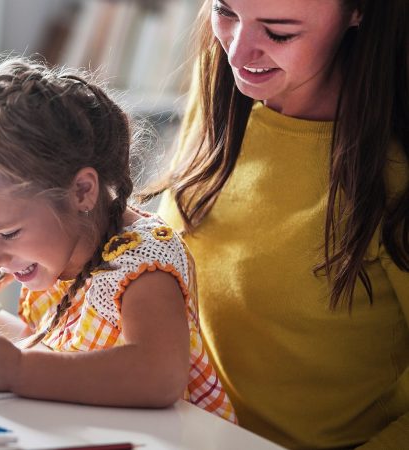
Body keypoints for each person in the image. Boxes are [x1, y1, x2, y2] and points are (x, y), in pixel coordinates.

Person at [0, 57, 236, 422]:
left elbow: (159, 377)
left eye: (7, 234)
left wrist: (17, 371)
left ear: (81, 191)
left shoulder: (141, 264)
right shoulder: (48, 242)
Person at [139, 0, 407, 448]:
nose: (238, 54)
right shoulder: (223, 96)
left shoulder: (392, 179)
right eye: (225, 12)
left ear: (358, 12)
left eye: (279, 32)